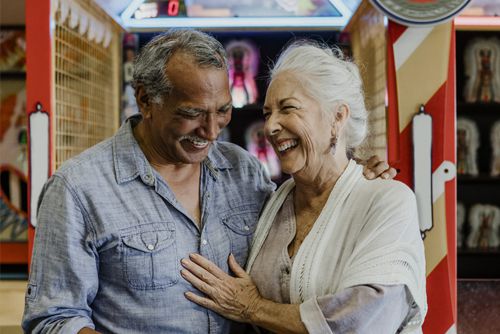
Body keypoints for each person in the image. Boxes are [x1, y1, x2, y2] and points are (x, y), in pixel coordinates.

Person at [22, 30, 395, 334]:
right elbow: (52, 319)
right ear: (145, 101)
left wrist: (354, 174)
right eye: (192, 114)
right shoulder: (78, 189)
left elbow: (309, 217)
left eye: (222, 112)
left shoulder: (244, 172)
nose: (212, 131)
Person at [180, 41, 427, 334]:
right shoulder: (272, 202)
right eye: (268, 112)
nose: (270, 127)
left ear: (338, 117)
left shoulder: (387, 200)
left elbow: (362, 320)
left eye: (288, 109)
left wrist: (253, 308)